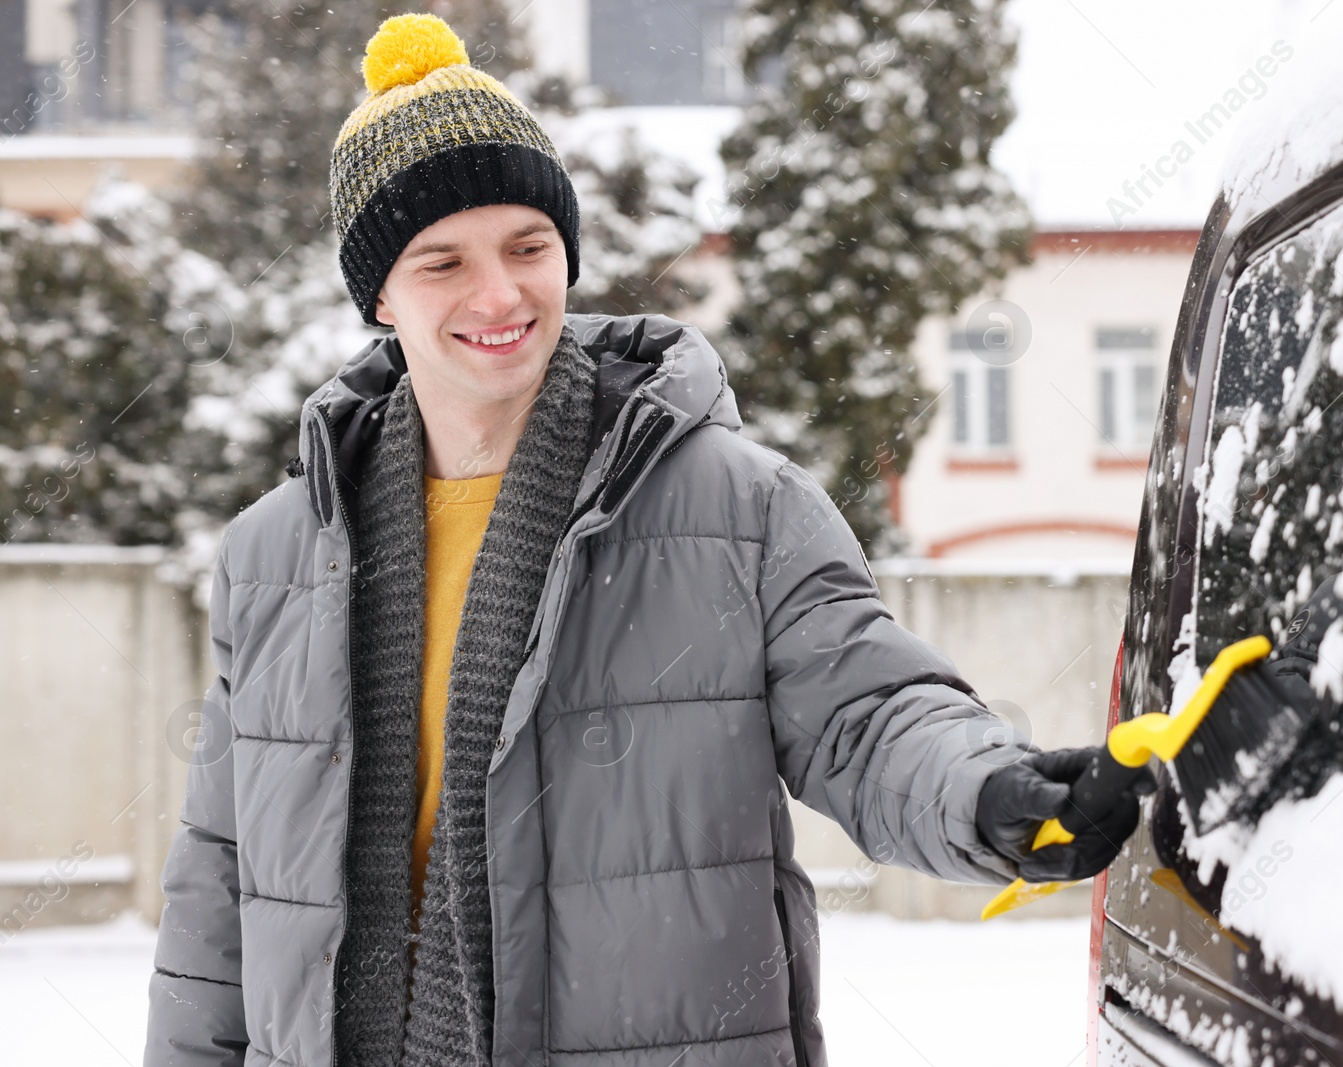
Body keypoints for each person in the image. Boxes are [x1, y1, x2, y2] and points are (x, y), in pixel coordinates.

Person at [142, 15, 1150, 1067]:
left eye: (529, 247)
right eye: (442, 260)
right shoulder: (276, 552)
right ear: (379, 295)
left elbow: (867, 713)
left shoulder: (735, 505)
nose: (500, 294)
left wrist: (989, 794)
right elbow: (221, 883)